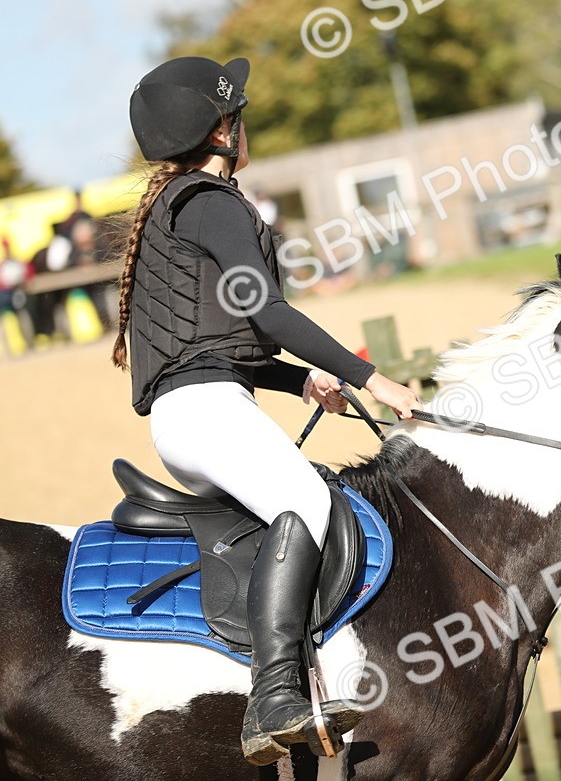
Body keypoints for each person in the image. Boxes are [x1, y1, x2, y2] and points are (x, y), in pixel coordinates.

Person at [112, 56, 418, 765]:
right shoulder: (212, 203)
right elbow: (266, 311)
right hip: (206, 412)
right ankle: (274, 696)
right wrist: (370, 379)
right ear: (221, 132)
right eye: (239, 115)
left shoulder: (176, 203)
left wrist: (298, 383)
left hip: (194, 411)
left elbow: (212, 340)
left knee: (297, 505)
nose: (246, 126)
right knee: (307, 503)